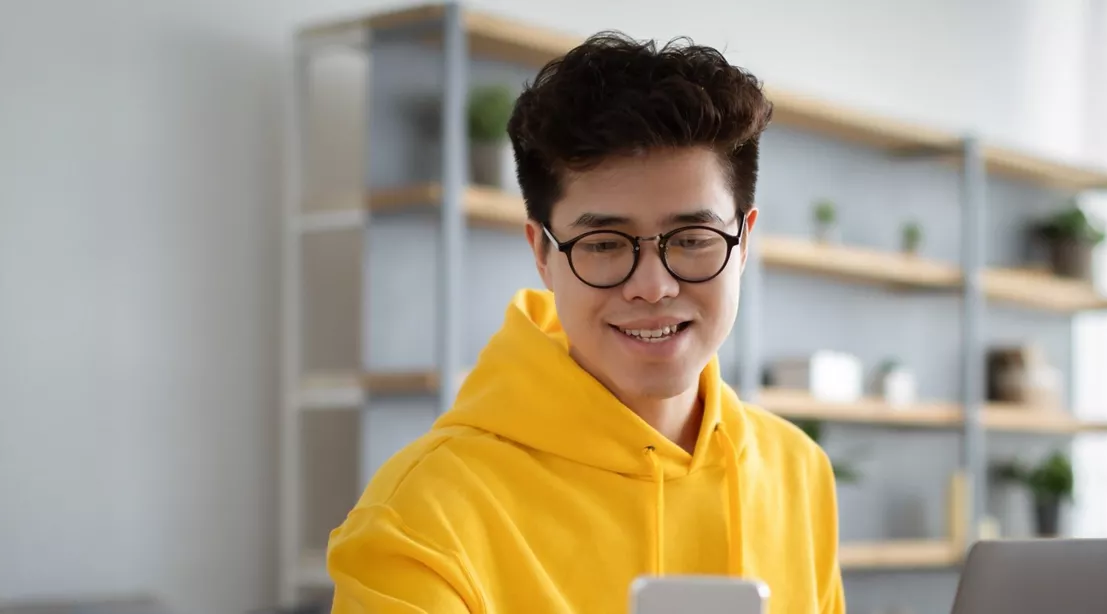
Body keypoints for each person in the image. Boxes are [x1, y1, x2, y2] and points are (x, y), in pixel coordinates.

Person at [325, 31, 846, 614]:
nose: (653, 286)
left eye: (694, 239)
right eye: (603, 244)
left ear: (744, 242)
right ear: (543, 254)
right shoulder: (421, 512)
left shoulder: (798, 472)